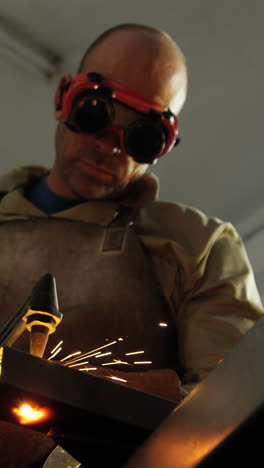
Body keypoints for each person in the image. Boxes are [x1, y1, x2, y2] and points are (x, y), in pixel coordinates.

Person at [0, 23, 263, 467]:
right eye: (96, 111)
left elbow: (230, 407)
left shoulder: (196, 246)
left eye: (142, 135)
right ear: (63, 96)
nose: (111, 147)